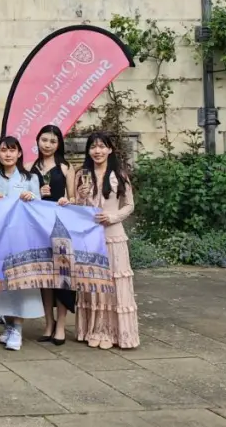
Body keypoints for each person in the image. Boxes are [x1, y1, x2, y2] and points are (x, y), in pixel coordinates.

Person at [72, 132, 139, 350]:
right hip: (90, 236)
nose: (97, 151)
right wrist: (81, 196)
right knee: (94, 284)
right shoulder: (82, 175)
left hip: (113, 235)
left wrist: (113, 217)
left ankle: (114, 332)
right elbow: (79, 209)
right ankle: (95, 330)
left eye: (102, 146)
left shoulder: (119, 174)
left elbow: (129, 205)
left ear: (110, 149)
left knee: (114, 283)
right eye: (93, 147)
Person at [0, 135, 41, 351]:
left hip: (22, 237)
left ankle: (18, 328)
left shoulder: (30, 178)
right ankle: (7, 325)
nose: (8, 154)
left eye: (12, 150)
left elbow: (40, 208)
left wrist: (32, 198)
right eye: (4, 150)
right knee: (2, 284)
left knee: (21, 284)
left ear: (19, 153)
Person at [31, 124, 75, 346]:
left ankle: (61, 326)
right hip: (38, 227)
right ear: (38, 141)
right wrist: (37, 194)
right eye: (44, 140)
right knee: (45, 278)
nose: (47, 145)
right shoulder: (30, 168)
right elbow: (26, 199)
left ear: (59, 144)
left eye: (52, 141)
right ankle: (48, 323)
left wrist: (67, 200)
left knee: (63, 277)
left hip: (61, 226)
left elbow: (74, 198)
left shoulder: (66, 168)